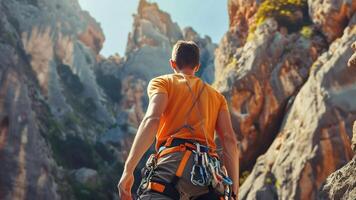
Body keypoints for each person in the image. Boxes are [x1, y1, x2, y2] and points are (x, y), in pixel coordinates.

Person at [118, 41, 240, 200]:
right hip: (208, 175)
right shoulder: (217, 98)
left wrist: (129, 170)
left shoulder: (163, 83)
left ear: (172, 63)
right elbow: (230, 141)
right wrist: (234, 192)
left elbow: (152, 119)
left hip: (171, 165)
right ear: (197, 66)